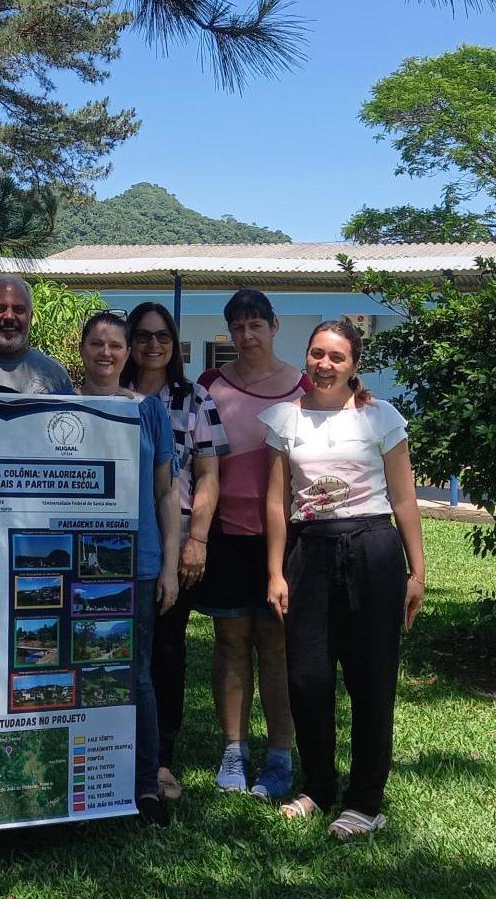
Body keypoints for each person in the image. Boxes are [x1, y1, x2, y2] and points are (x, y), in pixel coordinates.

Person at [263, 319, 427, 839]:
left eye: (337, 357)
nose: (324, 364)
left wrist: (417, 571)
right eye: (317, 354)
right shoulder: (285, 420)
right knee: (307, 677)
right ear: (306, 358)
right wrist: (274, 569)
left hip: (372, 550)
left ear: (355, 365)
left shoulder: (381, 417)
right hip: (308, 551)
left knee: (371, 679)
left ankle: (365, 801)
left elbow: (403, 498)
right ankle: (317, 786)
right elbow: (275, 502)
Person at [191, 288, 304, 799]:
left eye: (256, 324)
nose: (247, 335)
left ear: (275, 327)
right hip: (225, 535)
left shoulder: (303, 388)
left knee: (277, 647)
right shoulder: (211, 385)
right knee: (231, 642)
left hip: (285, 538)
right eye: (238, 327)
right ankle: (233, 751)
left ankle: (280, 755)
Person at [76, 310, 180, 827]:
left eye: (116, 345)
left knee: (135, 675)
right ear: (82, 351)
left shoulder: (150, 413)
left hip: (135, 563)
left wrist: (169, 565)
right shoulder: (59, 409)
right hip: (72, 563)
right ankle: (77, 782)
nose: (107, 353)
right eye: (97, 343)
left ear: (128, 353)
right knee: (74, 669)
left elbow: (166, 493)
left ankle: (143, 787)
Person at [119, 302, 226, 801]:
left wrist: (196, 541)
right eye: (142, 336)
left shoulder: (195, 398)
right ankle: (111, 751)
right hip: (110, 545)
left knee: (165, 651)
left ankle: (161, 759)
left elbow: (207, 476)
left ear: (175, 342)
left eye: (163, 336)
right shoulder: (106, 396)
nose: (153, 345)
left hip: (171, 543)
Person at [0, 275, 74, 394]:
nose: (9, 317)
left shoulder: (55, 373)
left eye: (19, 310)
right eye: (0, 308)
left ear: (31, 316)